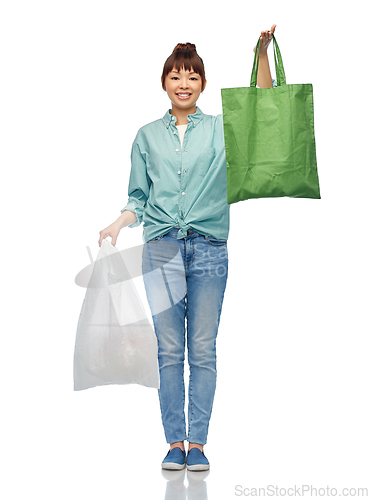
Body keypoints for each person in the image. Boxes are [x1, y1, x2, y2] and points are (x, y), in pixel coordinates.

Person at [98, 25, 278, 471]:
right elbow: (138, 197)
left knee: (202, 348)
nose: (184, 84)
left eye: (192, 77)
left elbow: (261, 105)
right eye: (176, 76)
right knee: (168, 351)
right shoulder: (146, 136)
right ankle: (174, 443)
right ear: (164, 83)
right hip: (160, 249)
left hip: (209, 248)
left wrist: (261, 53)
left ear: (202, 84)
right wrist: (121, 220)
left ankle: (198, 444)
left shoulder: (220, 130)